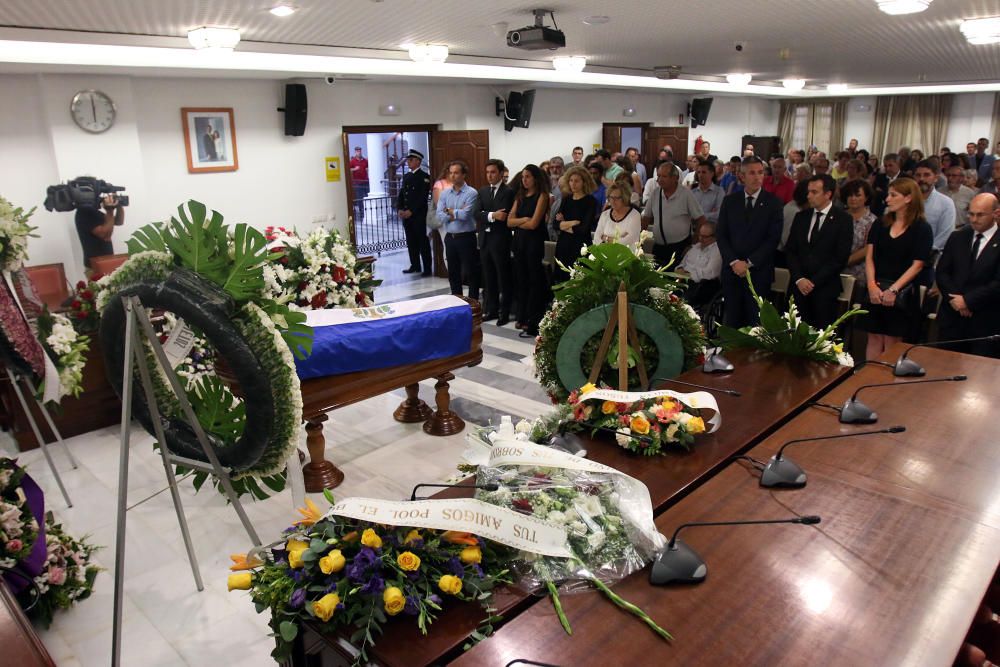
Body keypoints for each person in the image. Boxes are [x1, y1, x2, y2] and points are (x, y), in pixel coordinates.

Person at [862, 178, 934, 359]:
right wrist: (871, 285)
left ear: (909, 198)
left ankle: (885, 382)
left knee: (892, 342)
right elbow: (869, 257)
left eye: (893, 195)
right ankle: (868, 379)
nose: (887, 199)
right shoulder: (880, 224)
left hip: (902, 291)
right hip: (876, 286)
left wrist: (894, 289)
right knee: (874, 337)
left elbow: (917, 265)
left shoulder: (922, 228)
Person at [715, 156, 784, 327]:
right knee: (732, 322)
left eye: (760, 173)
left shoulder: (773, 203)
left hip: (758, 273)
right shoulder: (730, 201)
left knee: (755, 323)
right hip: (732, 272)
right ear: (742, 177)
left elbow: (772, 239)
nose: (757, 177)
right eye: (752, 173)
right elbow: (721, 235)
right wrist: (734, 262)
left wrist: (749, 263)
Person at [935, 193, 1000, 358]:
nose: (974, 219)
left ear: (996, 213)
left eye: (980, 215)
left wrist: (968, 301)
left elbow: (997, 283)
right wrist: (956, 300)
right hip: (952, 318)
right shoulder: (958, 237)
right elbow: (942, 272)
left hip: (985, 320)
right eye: (971, 214)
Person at [784, 174, 853, 328]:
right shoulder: (801, 217)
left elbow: (840, 257)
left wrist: (814, 282)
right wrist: (799, 278)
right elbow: (791, 250)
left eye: (814, 192)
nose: (808, 196)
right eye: (808, 191)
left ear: (828, 194)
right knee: (792, 335)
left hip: (824, 289)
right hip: (798, 287)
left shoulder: (843, 220)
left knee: (819, 338)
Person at [508, 164, 550, 337]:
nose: (524, 180)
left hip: (534, 242)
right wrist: (523, 219)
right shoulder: (520, 196)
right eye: (523, 177)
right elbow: (509, 222)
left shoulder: (542, 196)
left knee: (534, 279)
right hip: (519, 241)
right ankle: (522, 315)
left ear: (535, 178)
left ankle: (533, 317)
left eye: (528, 177)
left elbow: (534, 224)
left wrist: (521, 221)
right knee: (521, 278)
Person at [642, 161, 706, 268]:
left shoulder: (686, 194)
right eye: (658, 176)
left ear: (675, 178)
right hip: (659, 247)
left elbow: (701, 219)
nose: (659, 179)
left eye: (664, 176)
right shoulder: (655, 193)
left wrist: (693, 244)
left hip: (680, 247)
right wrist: (641, 240)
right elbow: (646, 217)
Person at [475, 159, 516, 324]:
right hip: (485, 239)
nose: (489, 175)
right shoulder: (483, 191)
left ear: (500, 173)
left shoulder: (508, 192)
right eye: (487, 172)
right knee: (488, 277)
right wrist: (492, 215)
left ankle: (504, 312)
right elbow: (477, 213)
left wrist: (487, 214)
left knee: (502, 277)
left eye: (493, 172)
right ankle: (491, 309)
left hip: (500, 240)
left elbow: (504, 215)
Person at [436, 160, 481, 300]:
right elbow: (440, 216)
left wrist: (449, 211)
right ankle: (457, 301)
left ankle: (473, 302)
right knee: (453, 272)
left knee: (470, 272)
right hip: (450, 237)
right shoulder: (444, 194)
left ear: (463, 175)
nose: (452, 176)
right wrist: (455, 213)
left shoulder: (471, 193)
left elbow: (466, 215)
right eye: (450, 173)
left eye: (456, 173)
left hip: (466, 237)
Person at [552, 166, 599, 284]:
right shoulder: (566, 199)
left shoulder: (590, 201)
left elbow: (583, 229)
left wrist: (564, 224)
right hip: (563, 245)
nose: (573, 184)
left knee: (578, 282)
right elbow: (555, 224)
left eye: (577, 181)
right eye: (571, 180)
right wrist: (573, 222)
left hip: (580, 247)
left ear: (584, 182)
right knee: (562, 281)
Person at [396, 149, 433, 275]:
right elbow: (402, 194)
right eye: (408, 159)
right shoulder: (407, 176)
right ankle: (415, 265)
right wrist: (400, 208)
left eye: (411, 160)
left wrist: (412, 211)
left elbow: (422, 197)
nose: (408, 162)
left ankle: (427, 268)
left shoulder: (424, 178)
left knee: (422, 242)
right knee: (411, 242)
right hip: (407, 216)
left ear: (418, 161)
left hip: (418, 216)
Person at [914, 159, 957, 257]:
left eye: (926, 175)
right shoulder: (906, 200)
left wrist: (921, 255)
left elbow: (944, 236)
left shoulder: (946, 203)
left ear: (936, 178)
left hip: (931, 257)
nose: (921, 179)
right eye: (918, 175)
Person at [840, 179, 878, 288]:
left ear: (866, 198)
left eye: (857, 195)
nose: (853, 198)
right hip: (834, 270)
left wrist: (844, 261)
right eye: (850, 195)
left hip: (860, 274)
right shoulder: (838, 216)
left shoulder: (873, 221)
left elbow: (868, 249)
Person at [75, 192, 124, 275]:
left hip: (106, 264)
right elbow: (105, 234)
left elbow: (119, 221)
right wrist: (110, 210)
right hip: (95, 267)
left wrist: (119, 205)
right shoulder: (84, 213)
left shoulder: (94, 212)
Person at [675, 221, 722, 308]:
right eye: (700, 235)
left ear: (714, 237)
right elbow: (682, 264)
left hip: (702, 286)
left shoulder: (717, 251)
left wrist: (688, 274)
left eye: (705, 237)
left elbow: (709, 273)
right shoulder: (695, 248)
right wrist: (680, 269)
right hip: (684, 281)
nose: (701, 239)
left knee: (681, 302)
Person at [350, 146, 369, 222]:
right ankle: (362, 214)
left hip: (365, 181)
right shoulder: (353, 161)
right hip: (357, 182)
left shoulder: (365, 160)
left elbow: (367, 168)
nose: (359, 152)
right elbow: (349, 168)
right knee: (360, 198)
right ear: (355, 152)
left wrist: (367, 171)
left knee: (367, 197)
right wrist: (355, 169)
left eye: (360, 151)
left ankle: (368, 212)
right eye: (358, 151)